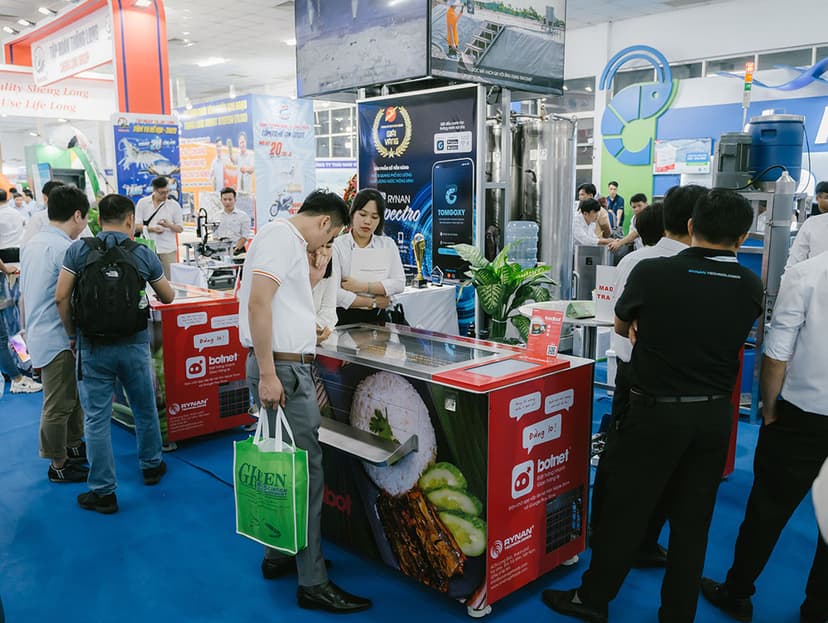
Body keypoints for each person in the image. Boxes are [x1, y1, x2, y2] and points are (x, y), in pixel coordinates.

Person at [543, 189, 763, 623]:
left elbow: (622, 323)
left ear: (691, 227)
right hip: (714, 416)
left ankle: (593, 600)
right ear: (742, 237)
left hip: (654, 412)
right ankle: (676, 615)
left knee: (626, 510)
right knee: (692, 524)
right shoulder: (751, 285)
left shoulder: (653, 272)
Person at [239, 189, 371, 613]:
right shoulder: (283, 239)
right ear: (325, 224)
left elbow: (281, 303)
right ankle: (312, 580)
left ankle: (279, 553)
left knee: (280, 461)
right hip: (282, 369)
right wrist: (269, 373)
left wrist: (314, 277)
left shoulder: (285, 242)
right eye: (329, 238)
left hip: (284, 366)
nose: (325, 248)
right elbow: (259, 302)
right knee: (306, 472)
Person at [701, 250, 828, 623]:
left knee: (767, 509)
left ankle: (738, 592)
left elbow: (776, 352)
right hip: (804, 414)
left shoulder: (809, 273)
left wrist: (769, 408)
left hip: (802, 415)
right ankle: (819, 609)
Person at [593, 186, 707, 575]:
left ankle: (603, 530)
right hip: (658, 379)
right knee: (651, 465)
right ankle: (634, 541)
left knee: (620, 455)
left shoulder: (641, 261)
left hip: (629, 368)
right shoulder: (700, 267)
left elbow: (616, 316)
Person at [56, 194, 175, 514]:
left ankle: (104, 492)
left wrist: (72, 333)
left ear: (98, 218)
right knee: (144, 408)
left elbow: (61, 297)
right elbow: (168, 297)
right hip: (134, 345)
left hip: (91, 346)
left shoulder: (79, 250)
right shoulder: (141, 253)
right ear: (130, 220)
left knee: (96, 419)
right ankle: (151, 466)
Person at [21, 185, 90, 482]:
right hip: (58, 334)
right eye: (86, 219)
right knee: (58, 404)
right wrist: (73, 333)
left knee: (71, 398)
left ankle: (73, 447)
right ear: (77, 215)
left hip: (40, 329)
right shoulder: (65, 249)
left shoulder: (34, 242)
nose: (86, 225)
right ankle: (58, 464)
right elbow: (65, 298)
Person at [333, 188, 406, 325]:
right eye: (362, 214)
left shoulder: (387, 244)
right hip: (343, 319)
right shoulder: (337, 246)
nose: (367, 221)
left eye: (374, 217)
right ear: (352, 214)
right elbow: (334, 293)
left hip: (378, 318)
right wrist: (373, 301)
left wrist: (361, 286)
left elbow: (399, 283)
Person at [0, 258, 41, 393]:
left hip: (17, 269)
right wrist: (5, 269)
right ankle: (23, 369)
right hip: (10, 273)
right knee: (12, 328)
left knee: (13, 327)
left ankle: (25, 366)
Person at [135, 176, 184, 280]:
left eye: (167, 192)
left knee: (170, 281)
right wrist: (152, 229)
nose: (165, 195)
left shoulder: (174, 205)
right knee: (147, 280)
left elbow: (180, 228)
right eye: (162, 193)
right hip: (147, 248)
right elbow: (136, 227)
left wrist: (169, 225)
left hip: (168, 249)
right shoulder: (143, 203)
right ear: (154, 190)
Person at [22, 181, 93, 248]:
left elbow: (26, 245)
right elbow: (90, 241)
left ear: (46, 198)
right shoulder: (76, 216)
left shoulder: (38, 218)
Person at [786, 180, 828, 269]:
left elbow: (794, 261)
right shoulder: (811, 220)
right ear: (817, 198)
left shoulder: (812, 223)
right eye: (826, 197)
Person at [213, 187, 250, 254]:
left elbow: (245, 236)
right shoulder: (216, 216)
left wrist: (235, 249)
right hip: (221, 250)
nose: (227, 202)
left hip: (238, 249)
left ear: (235, 200)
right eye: (225, 199)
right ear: (221, 200)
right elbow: (215, 235)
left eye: (230, 199)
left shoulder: (243, 216)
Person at [0, 189, 25, 263]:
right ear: (7, 199)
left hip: (3, 252)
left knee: (5, 273)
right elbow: (24, 223)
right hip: (19, 250)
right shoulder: (16, 213)